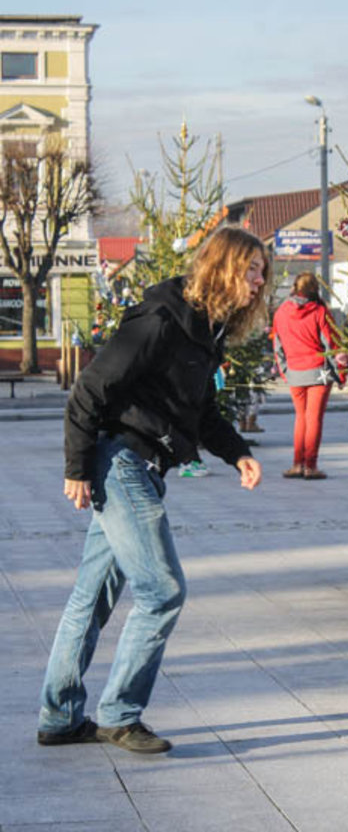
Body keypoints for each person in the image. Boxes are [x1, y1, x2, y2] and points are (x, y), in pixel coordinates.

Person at [37, 228, 267, 754]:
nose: (259, 282)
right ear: (224, 267)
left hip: (145, 466)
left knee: (92, 596)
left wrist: (238, 454)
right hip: (122, 463)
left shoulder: (206, 331)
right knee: (163, 591)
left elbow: (201, 412)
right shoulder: (161, 321)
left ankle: (59, 715)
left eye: (262, 272)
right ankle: (119, 714)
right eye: (251, 270)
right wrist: (77, 466)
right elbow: (90, 389)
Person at [272, 272, 342, 480]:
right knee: (314, 419)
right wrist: (340, 374)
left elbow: (278, 346)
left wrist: (285, 371)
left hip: (295, 371)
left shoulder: (281, 312)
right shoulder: (320, 311)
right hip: (318, 370)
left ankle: (297, 464)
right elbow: (330, 344)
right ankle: (311, 465)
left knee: (300, 418)